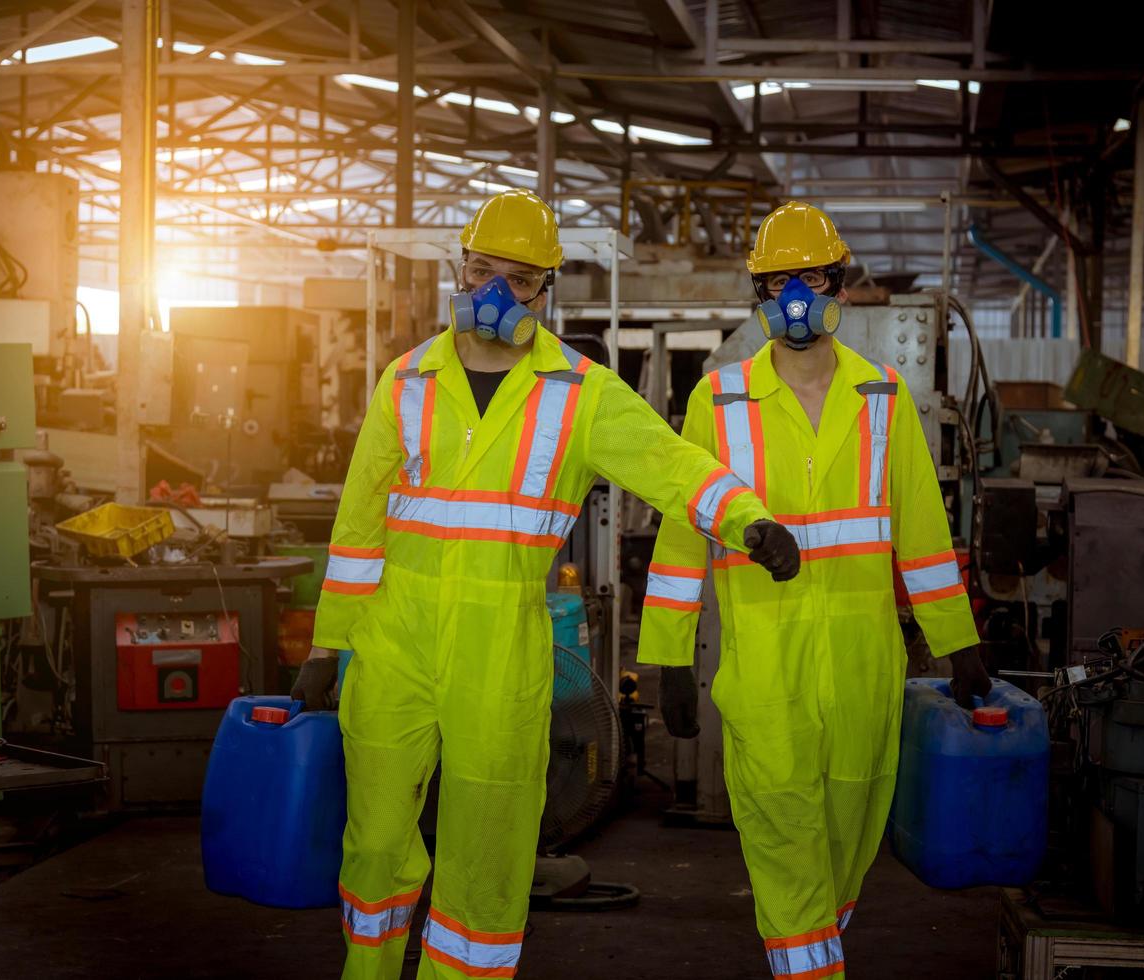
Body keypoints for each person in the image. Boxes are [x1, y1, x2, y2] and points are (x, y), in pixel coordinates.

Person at [290, 188, 800, 980]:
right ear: (461, 268)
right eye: (483, 269)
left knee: (488, 847)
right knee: (376, 840)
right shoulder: (407, 382)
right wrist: (328, 645)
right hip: (394, 647)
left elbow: (671, 465)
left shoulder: (580, 394)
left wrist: (747, 520)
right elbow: (358, 529)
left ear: (544, 291)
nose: (496, 291)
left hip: (502, 653)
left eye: (520, 280)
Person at [638, 202, 990, 979]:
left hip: (866, 676)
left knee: (844, 856)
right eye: (777, 281)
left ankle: (813, 954)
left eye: (811, 277)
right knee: (787, 858)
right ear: (757, 295)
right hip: (765, 676)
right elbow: (678, 534)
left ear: (836, 281)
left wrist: (960, 646)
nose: (796, 295)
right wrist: (665, 658)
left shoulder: (883, 398)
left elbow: (924, 535)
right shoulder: (719, 400)